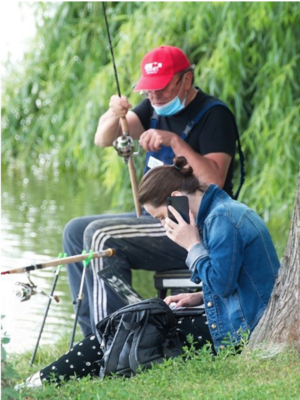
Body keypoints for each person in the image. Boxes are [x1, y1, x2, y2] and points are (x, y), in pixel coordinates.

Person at [15, 156, 279, 389]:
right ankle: (41, 381)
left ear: (176, 198)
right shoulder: (219, 211)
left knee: (132, 330)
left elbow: (222, 284)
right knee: (128, 329)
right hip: (239, 316)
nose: (164, 224)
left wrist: (192, 244)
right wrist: (197, 296)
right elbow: (235, 278)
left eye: (162, 216)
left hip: (240, 331)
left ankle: (36, 384)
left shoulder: (221, 219)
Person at [64, 45, 241, 338]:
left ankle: (124, 337)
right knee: (74, 231)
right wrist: (113, 113)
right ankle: (93, 336)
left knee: (101, 236)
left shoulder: (214, 114)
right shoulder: (152, 108)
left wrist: (174, 142)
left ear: (186, 80)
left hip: (195, 229)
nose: (155, 98)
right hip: (157, 220)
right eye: (149, 92)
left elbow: (214, 180)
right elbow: (103, 138)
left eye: (161, 90)